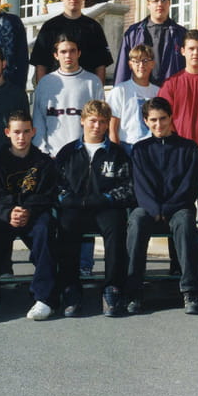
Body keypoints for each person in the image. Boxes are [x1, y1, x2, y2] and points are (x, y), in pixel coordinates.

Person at [0, 110, 58, 322]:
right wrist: (10, 211)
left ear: (33, 132)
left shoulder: (44, 162)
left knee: (46, 229)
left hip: (33, 214)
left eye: (26, 132)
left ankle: (44, 298)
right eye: (17, 132)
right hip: (5, 215)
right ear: (7, 132)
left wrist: (28, 210)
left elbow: (48, 194)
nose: (21, 137)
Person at [56, 100, 134, 317]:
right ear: (82, 121)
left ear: (108, 124)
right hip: (75, 208)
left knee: (117, 226)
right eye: (92, 121)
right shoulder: (68, 152)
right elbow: (56, 184)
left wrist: (106, 198)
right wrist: (69, 200)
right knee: (65, 226)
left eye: (102, 122)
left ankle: (112, 288)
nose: (97, 126)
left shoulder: (117, 154)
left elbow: (127, 187)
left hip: (105, 207)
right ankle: (71, 288)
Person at [127, 97, 198, 314]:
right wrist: (155, 210)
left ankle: (190, 291)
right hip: (149, 209)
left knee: (185, 221)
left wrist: (167, 209)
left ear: (171, 118)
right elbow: (139, 186)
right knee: (136, 220)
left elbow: (189, 185)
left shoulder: (188, 148)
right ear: (145, 121)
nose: (158, 124)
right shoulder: (139, 149)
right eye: (153, 120)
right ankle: (133, 292)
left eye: (162, 118)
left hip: (178, 207)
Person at [30, 0, 113, 84]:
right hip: (56, 88)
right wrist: (42, 89)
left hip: (85, 88)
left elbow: (100, 65)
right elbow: (41, 64)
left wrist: (98, 90)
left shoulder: (93, 27)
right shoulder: (50, 27)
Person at [32, 35, 104, 155]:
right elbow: (38, 122)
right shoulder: (45, 83)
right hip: (52, 155)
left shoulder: (93, 82)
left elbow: (100, 122)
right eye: (63, 52)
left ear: (79, 53)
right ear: (56, 55)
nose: (68, 55)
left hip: (84, 154)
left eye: (72, 51)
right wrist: (42, 153)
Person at [113, 0, 186, 86]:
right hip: (140, 91)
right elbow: (123, 68)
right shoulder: (133, 33)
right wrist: (119, 90)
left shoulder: (181, 34)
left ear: (169, 3)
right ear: (148, 4)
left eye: (163, 0)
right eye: (155, 1)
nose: (160, 4)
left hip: (171, 91)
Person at [107, 44, 159, 154]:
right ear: (130, 64)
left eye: (145, 60)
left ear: (152, 64)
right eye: (136, 61)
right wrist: (116, 153)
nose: (141, 65)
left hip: (153, 147)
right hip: (127, 147)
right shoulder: (120, 90)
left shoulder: (158, 92)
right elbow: (112, 128)